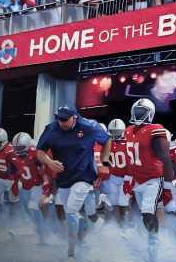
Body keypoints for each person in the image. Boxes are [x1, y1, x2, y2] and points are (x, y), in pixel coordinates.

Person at [36, 103, 111, 260]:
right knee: (70, 211)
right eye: (60, 119)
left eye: (65, 120)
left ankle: (71, 252)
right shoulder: (51, 128)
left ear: (74, 117)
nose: (62, 123)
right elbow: (40, 152)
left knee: (70, 210)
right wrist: (49, 162)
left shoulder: (89, 126)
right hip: (63, 176)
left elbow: (107, 140)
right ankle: (82, 225)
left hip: (84, 175)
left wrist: (104, 163)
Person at [123, 98, 174, 261]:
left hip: (153, 178)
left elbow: (166, 161)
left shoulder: (156, 129)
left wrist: (167, 188)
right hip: (138, 179)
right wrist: (127, 179)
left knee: (147, 212)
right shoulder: (128, 130)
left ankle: (154, 244)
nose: (138, 115)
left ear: (150, 114)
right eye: (136, 112)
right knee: (142, 213)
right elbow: (130, 159)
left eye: (142, 112)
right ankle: (152, 238)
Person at [9, 132, 50, 243]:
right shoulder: (12, 154)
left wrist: (45, 188)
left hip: (37, 185)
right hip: (25, 185)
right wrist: (14, 183)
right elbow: (13, 169)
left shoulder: (35, 153)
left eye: (20, 147)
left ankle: (43, 234)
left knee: (32, 207)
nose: (17, 150)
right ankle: (36, 228)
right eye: (15, 147)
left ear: (27, 146)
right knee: (24, 209)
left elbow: (46, 167)